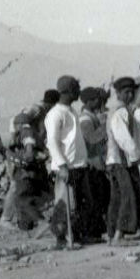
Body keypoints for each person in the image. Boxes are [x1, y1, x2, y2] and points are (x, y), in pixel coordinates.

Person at [44, 76, 91, 246]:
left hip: (78, 164)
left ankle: (75, 235)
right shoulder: (55, 114)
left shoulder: (71, 111)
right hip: (66, 167)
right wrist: (63, 166)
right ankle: (61, 238)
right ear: (69, 91)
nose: (79, 91)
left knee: (78, 204)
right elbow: (52, 142)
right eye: (77, 88)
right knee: (64, 204)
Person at [104, 78, 140, 243]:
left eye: (132, 92)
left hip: (118, 160)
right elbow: (123, 138)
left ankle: (112, 234)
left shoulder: (126, 111)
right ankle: (119, 233)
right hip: (120, 160)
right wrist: (135, 155)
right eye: (126, 92)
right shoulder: (120, 112)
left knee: (118, 197)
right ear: (118, 94)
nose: (130, 95)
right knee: (127, 195)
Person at [1, 104, 49, 231]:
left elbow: (29, 148)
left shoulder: (25, 131)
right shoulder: (34, 132)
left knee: (22, 199)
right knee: (24, 199)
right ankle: (25, 226)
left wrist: (24, 158)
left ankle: (42, 222)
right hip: (33, 172)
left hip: (25, 173)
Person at [77, 87, 110, 233]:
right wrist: (104, 125)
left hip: (96, 161)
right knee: (96, 197)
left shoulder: (91, 115)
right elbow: (92, 139)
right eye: (97, 99)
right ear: (89, 101)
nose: (100, 101)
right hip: (92, 162)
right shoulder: (85, 119)